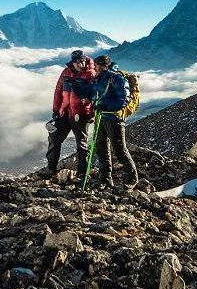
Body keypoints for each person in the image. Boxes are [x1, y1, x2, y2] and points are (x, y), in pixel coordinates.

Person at [64, 54, 139, 188]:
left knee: (119, 150)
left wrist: (106, 106)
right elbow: (90, 93)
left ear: (103, 66)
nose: (94, 68)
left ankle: (131, 178)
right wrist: (75, 85)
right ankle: (105, 179)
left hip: (113, 118)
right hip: (100, 117)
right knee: (101, 149)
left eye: (97, 65)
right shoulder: (98, 79)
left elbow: (123, 99)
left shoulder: (116, 78)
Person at [38, 50, 94, 178]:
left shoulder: (91, 73)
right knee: (54, 137)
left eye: (82, 61)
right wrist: (56, 110)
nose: (80, 64)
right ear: (73, 62)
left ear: (85, 59)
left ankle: (83, 172)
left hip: (81, 114)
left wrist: (90, 110)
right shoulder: (66, 72)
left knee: (81, 143)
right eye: (77, 62)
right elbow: (58, 92)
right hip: (65, 112)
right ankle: (51, 168)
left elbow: (96, 93)